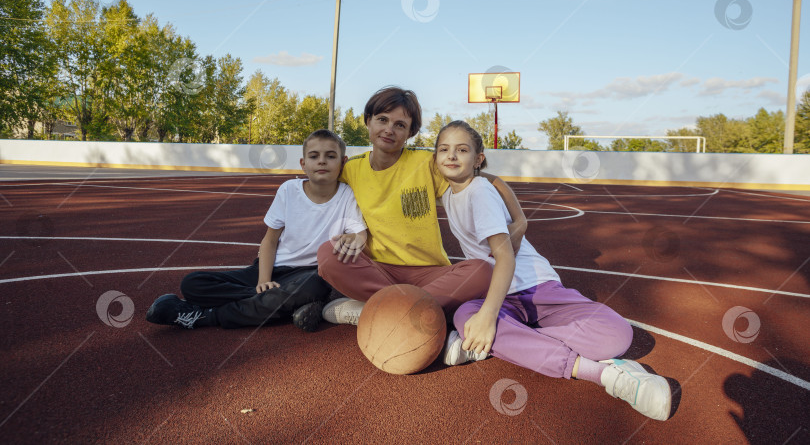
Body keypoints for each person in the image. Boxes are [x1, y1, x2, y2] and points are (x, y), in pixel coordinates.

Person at [434, 120, 672, 421]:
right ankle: (606, 375)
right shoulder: (448, 194)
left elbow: (505, 258)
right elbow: (486, 179)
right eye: (444, 149)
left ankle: (497, 342)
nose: (452, 156)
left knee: (617, 335)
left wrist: (489, 318)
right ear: (435, 157)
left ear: (478, 158)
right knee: (466, 314)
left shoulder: (480, 193)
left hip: (537, 288)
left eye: (462, 150)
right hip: (499, 295)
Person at [317, 86, 526, 325]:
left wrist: (520, 220)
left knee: (481, 271)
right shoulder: (352, 168)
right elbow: (318, 178)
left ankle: (373, 309)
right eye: (382, 120)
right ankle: (414, 309)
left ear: (410, 133)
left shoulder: (425, 163)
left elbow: (485, 177)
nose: (389, 129)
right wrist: (356, 232)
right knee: (327, 253)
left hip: (430, 273)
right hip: (379, 269)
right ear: (368, 121)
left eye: (400, 125)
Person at [146, 130, 366, 332]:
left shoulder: (347, 195)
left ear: (343, 162)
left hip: (308, 276)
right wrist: (263, 281)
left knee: (314, 286)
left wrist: (354, 237)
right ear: (303, 163)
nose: (322, 161)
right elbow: (269, 241)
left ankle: (207, 316)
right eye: (314, 156)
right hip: (273, 269)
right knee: (192, 284)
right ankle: (281, 304)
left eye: (330, 156)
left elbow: (360, 234)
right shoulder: (289, 190)